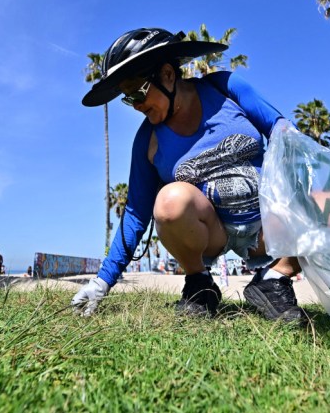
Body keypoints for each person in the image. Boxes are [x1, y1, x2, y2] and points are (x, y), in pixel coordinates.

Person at [71, 27, 305, 322]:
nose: (138, 106)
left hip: (267, 225)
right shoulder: (148, 140)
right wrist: (101, 282)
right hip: (211, 232)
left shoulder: (225, 88)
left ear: (168, 74)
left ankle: (274, 279)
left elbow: (281, 130)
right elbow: (135, 213)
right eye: (129, 100)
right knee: (170, 201)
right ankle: (199, 284)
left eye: (139, 92)